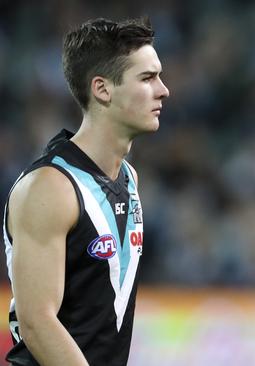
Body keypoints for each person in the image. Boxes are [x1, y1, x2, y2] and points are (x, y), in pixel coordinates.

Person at [2, 17, 169, 365]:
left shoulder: (129, 179)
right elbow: (37, 323)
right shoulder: (49, 187)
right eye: (147, 78)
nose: (163, 89)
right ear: (102, 89)